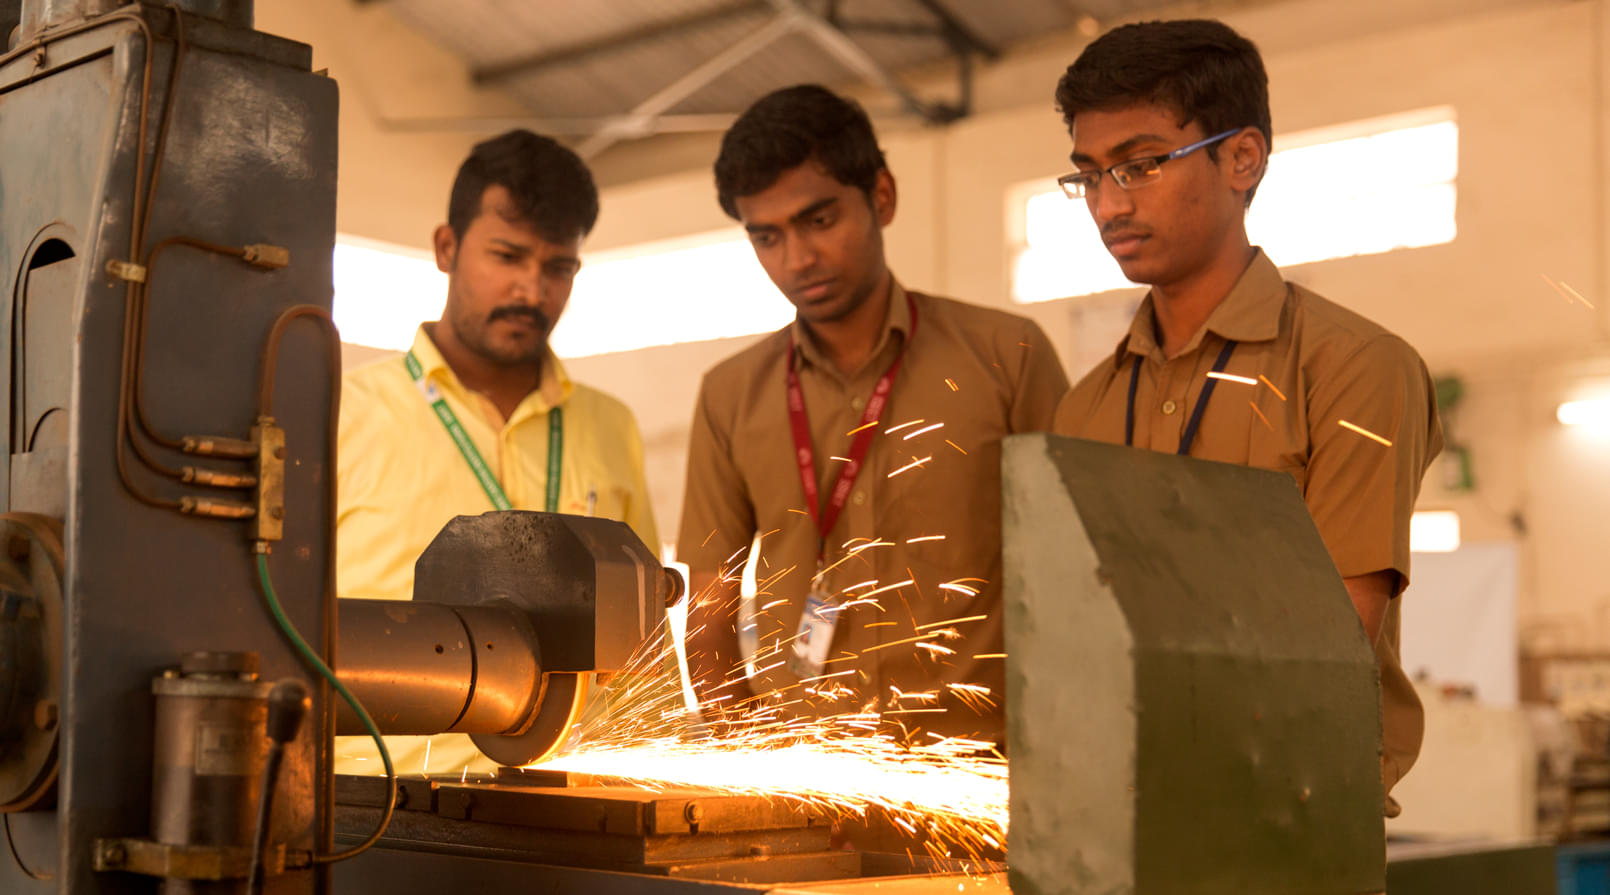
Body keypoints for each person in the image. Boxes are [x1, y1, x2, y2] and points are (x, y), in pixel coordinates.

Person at [1048, 19, 1442, 810]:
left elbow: (1326, 640)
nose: (1107, 205)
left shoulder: (1351, 368)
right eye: (1089, 176)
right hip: (1114, 800)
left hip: (1290, 810)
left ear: (1242, 157)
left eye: (1141, 165)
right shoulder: (1084, 407)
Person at [678, 85, 1070, 748]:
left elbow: (1072, 571)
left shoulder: (1009, 357)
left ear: (881, 197)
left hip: (982, 776)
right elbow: (708, 609)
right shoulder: (730, 394)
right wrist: (740, 759)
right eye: (766, 236)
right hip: (799, 788)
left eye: (819, 220)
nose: (797, 258)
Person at [336, 129, 658, 773]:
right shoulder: (338, 413)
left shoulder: (608, 425)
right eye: (507, 256)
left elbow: (643, 638)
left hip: (574, 807)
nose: (531, 291)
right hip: (384, 811)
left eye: (557, 267)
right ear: (446, 248)